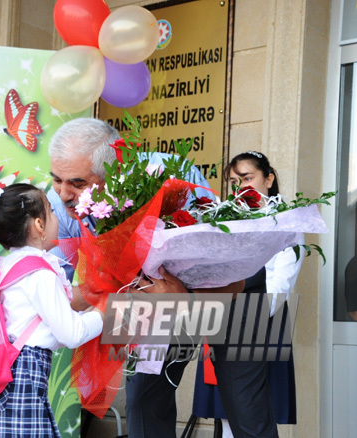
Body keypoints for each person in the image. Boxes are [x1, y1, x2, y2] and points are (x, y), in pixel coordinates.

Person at [47, 117, 242, 438]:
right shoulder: (57, 203)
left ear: (114, 170)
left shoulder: (172, 178)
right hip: (124, 303)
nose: (64, 193)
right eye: (56, 179)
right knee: (136, 396)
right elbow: (60, 287)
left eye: (78, 183)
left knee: (151, 397)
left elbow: (224, 263)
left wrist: (183, 298)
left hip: (193, 299)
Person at [0, 183, 104, 438]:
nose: (57, 217)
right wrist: (107, 313)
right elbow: (71, 334)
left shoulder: (7, 266)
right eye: (51, 210)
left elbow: (51, 332)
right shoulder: (38, 273)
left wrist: (85, 317)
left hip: (3, 385)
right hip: (21, 386)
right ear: (39, 225)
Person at [192, 151, 302, 437]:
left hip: (262, 316)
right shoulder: (229, 217)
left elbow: (282, 277)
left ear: (269, 178)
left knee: (255, 409)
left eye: (247, 178)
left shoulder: (285, 219)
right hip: (226, 313)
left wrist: (254, 318)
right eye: (233, 181)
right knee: (227, 407)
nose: (240, 187)